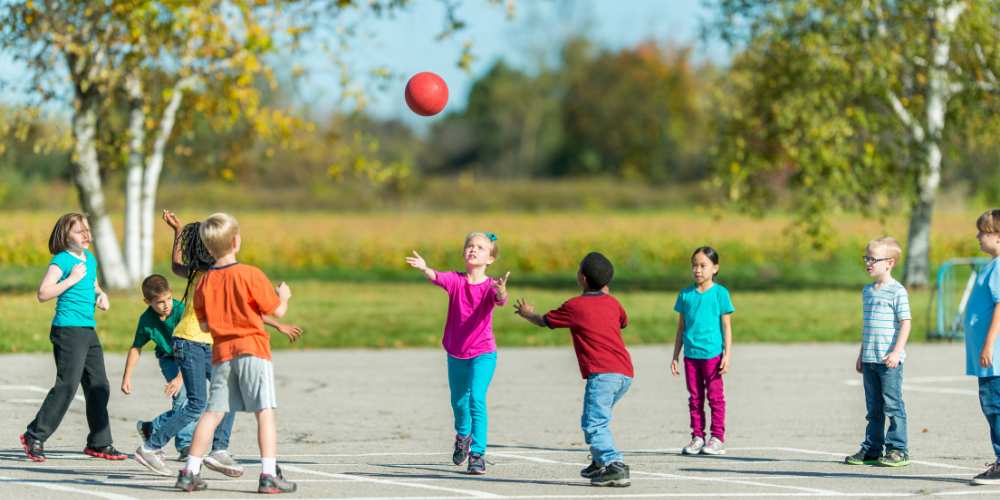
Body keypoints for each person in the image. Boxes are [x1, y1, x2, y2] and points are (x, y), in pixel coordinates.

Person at [175, 213, 301, 494]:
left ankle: (189, 471)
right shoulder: (251, 274)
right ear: (236, 241)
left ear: (208, 248)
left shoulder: (205, 282)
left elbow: (205, 324)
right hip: (252, 349)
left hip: (221, 352)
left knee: (213, 411)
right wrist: (284, 295)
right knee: (264, 411)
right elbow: (277, 311)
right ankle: (268, 474)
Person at [513, 251, 633, 487]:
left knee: (594, 423)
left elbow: (544, 321)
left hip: (603, 375)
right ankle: (600, 462)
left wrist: (527, 313)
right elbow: (623, 322)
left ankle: (613, 464)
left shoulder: (575, 306)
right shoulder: (613, 303)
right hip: (624, 373)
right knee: (599, 418)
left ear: (584, 279)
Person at [20, 213, 126, 462]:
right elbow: (43, 293)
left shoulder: (89, 259)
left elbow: (94, 284)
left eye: (88, 230)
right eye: (80, 231)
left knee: (99, 385)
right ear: (65, 236)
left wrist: (101, 294)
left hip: (87, 330)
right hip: (67, 330)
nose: (86, 235)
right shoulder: (62, 261)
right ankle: (34, 435)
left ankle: (100, 443)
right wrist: (71, 279)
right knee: (67, 385)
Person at [405, 232, 509, 475]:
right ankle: (463, 435)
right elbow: (437, 277)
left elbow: (500, 299)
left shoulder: (491, 286)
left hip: (483, 352)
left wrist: (503, 291)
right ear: (464, 252)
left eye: (481, 248)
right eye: (470, 246)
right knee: (459, 401)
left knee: (477, 399)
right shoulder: (456, 281)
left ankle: (477, 454)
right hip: (456, 352)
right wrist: (424, 268)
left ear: (490, 259)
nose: (474, 250)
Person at [845, 237, 911, 467]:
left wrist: (896, 352)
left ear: (889, 263)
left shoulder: (897, 291)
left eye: (873, 259)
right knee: (873, 408)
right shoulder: (868, 291)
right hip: (870, 358)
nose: (868, 263)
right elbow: (868, 326)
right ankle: (872, 448)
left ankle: (898, 449)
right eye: (867, 258)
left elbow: (905, 323)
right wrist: (862, 354)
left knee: (892, 405)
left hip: (889, 361)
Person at [671, 246, 734, 456]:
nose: (698, 270)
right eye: (694, 266)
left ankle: (717, 437)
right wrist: (675, 355)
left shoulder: (720, 293)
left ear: (715, 268)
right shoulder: (685, 295)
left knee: (715, 397)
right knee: (695, 398)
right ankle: (697, 436)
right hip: (691, 355)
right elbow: (681, 327)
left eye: (703, 265)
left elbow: (726, 326)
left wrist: (727, 354)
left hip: (713, 355)